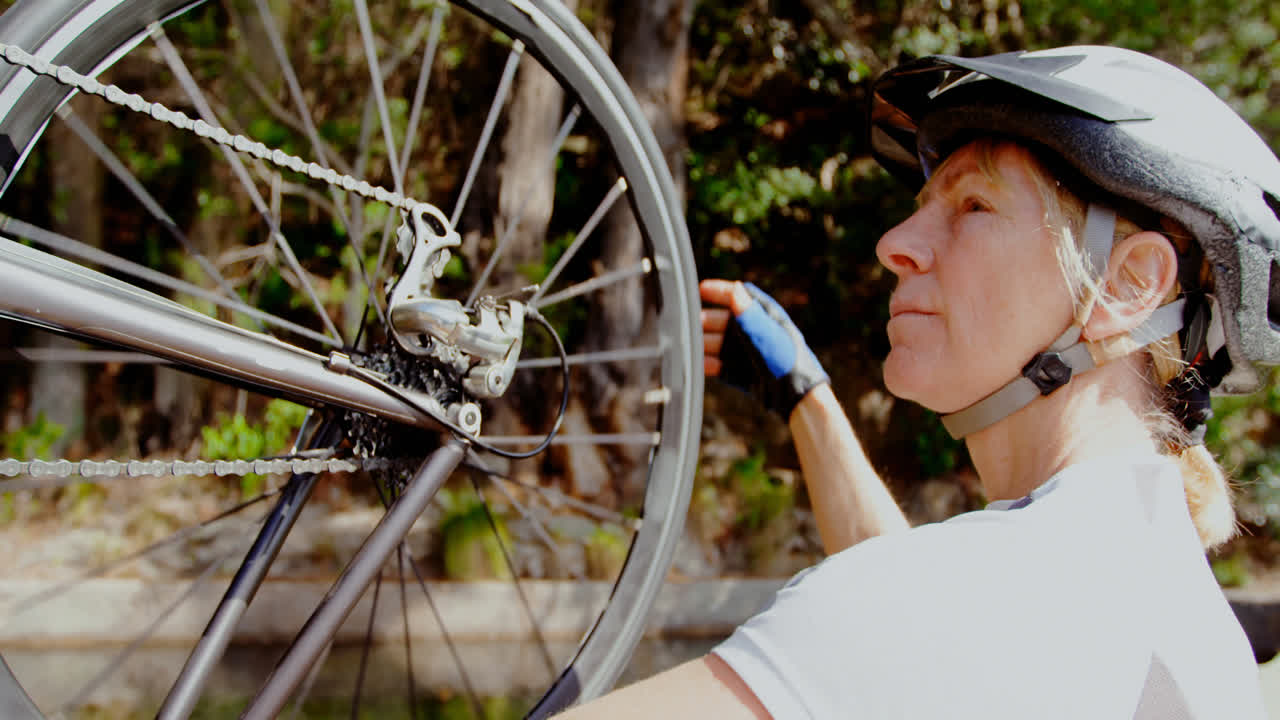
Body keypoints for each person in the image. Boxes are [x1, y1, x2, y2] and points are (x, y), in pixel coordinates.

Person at [558, 45, 1276, 718]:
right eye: (921, 206)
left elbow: (909, 614)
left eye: (973, 207)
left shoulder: (974, 598)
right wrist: (807, 403)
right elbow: (919, 631)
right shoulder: (1157, 607)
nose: (894, 245)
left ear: (1128, 284)